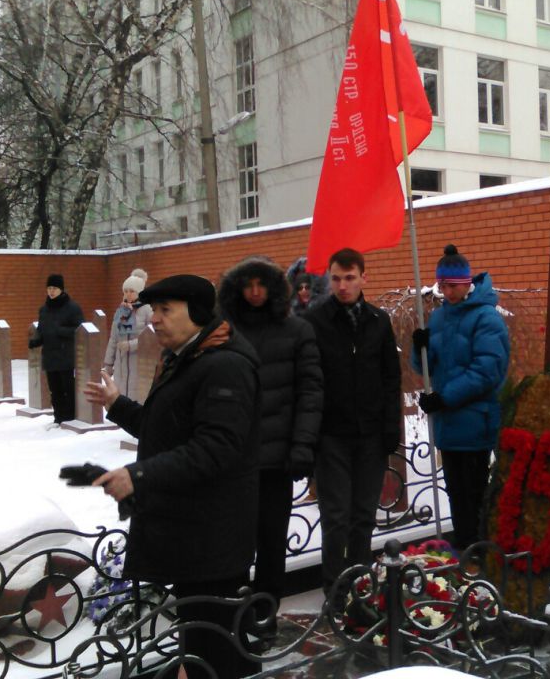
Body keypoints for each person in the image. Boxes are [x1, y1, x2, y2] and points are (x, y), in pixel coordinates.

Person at [84, 274, 260, 679]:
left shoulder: (224, 366)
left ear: (197, 315)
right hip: (191, 532)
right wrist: (118, 405)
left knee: (213, 640)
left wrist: (139, 474)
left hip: (212, 535)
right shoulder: (189, 358)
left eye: (166, 310)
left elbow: (216, 448)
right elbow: (163, 427)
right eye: (154, 311)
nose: (155, 319)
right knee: (200, 636)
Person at [218, 256, 323, 636]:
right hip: (233, 459)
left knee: (272, 539)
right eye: (248, 285)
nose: (256, 293)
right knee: (234, 540)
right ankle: (234, 610)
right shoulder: (224, 331)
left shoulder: (296, 330)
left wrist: (302, 446)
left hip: (277, 459)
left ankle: (265, 612)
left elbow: (310, 392)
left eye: (262, 285)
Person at [303, 248, 401, 596]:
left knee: (363, 516)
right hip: (332, 435)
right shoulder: (315, 321)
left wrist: (391, 428)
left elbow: (391, 378)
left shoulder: (378, 321)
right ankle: (335, 590)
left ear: (363, 278)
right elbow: (309, 381)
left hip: (371, 434)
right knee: (336, 517)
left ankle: (361, 586)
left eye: (349, 277)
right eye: (336, 278)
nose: (342, 285)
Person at [411, 245, 510, 552]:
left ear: (468, 284)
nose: (447, 292)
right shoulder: (439, 318)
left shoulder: (486, 318)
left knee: (475, 493)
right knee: (456, 493)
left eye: (452, 286)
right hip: (449, 426)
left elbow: (487, 371)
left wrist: (445, 398)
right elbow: (425, 368)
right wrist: (420, 348)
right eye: (442, 286)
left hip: (475, 423)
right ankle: (466, 551)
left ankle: (480, 553)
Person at [29, 274, 84, 426]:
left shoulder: (72, 308)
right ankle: (58, 417)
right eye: (49, 288)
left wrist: (60, 331)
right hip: (50, 356)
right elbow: (42, 329)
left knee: (68, 389)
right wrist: (36, 340)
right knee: (55, 390)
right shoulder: (44, 309)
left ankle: (70, 417)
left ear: (61, 289)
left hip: (66, 355)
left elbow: (80, 329)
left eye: (54, 288)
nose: (51, 291)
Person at [102, 269, 153, 398]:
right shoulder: (121, 311)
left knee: (138, 399)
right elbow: (113, 339)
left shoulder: (148, 310)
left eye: (132, 291)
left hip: (139, 363)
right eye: (125, 291)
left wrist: (132, 345)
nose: (128, 294)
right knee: (121, 398)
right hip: (121, 365)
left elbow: (153, 336)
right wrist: (108, 363)